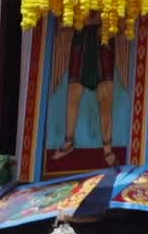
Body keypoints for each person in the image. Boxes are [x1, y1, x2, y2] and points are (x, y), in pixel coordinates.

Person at [50, 13, 123, 165]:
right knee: (73, 96)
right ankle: (68, 141)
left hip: (103, 44)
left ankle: (107, 148)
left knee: (105, 100)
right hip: (81, 42)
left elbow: (118, 20)